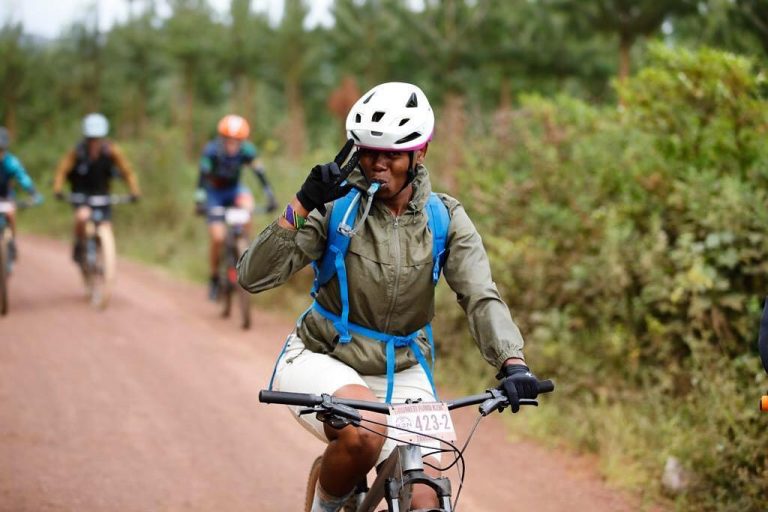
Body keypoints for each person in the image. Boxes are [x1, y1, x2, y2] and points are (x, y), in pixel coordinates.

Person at [237, 82, 541, 511]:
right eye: (369, 152)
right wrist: (302, 204)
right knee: (366, 430)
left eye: (393, 154)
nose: (379, 164)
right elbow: (252, 276)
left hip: (402, 367)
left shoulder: (445, 218)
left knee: (429, 494)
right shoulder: (334, 206)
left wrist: (513, 362)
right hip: (323, 356)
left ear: (420, 154)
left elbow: (480, 295)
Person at [196, 114, 277, 300]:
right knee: (217, 238)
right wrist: (199, 200)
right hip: (215, 194)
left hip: (234, 190)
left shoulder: (247, 151)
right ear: (222, 139)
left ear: (242, 141)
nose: (232, 145)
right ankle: (215, 277)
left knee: (248, 207)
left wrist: (270, 195)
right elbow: (201, 178)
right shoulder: (210, 152)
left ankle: (243, 244)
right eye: (229, 140)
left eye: (237, 141)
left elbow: (260, 173)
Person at [53, 113, 141, 262]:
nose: (94, 142)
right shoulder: (77, 152)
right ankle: (79, 246)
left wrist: (134, 191)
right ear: (86, 138)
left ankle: (104, 256)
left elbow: (127, 171)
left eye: (97, 139)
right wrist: (58, 188)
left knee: (106, 225)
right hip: (81, 194)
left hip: (102, 195)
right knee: (82, 217)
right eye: (91, 139)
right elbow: (62, 170)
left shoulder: (112, 151)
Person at [0, 126, 43, 260]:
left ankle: (11, 244)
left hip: (6, 197)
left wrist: (33, 193)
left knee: (11, 214)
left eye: (1, 149)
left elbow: (23, 178)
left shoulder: (11, 162)